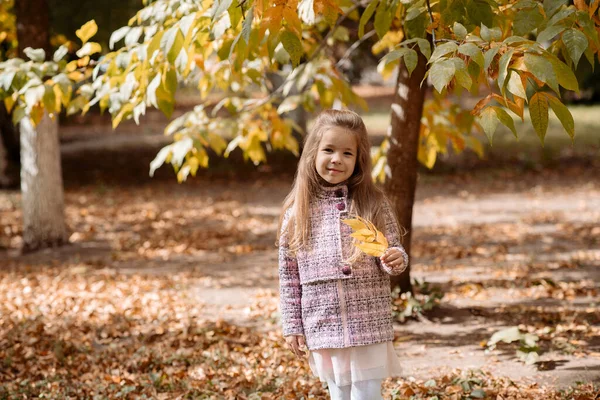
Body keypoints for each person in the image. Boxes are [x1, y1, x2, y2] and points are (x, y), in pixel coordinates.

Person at [277, 109, 409, 400]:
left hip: (368, 318)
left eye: (347, 153)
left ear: (358, 161)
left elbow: (392, 248)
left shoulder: (373, 203)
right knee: (340, 393)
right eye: (328, 150)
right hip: (322, 320)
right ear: (313, 153)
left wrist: (396, 259)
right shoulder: (297, 214)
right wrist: (293, 326)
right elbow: (289, 280)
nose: (337, 159)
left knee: (366, 393)